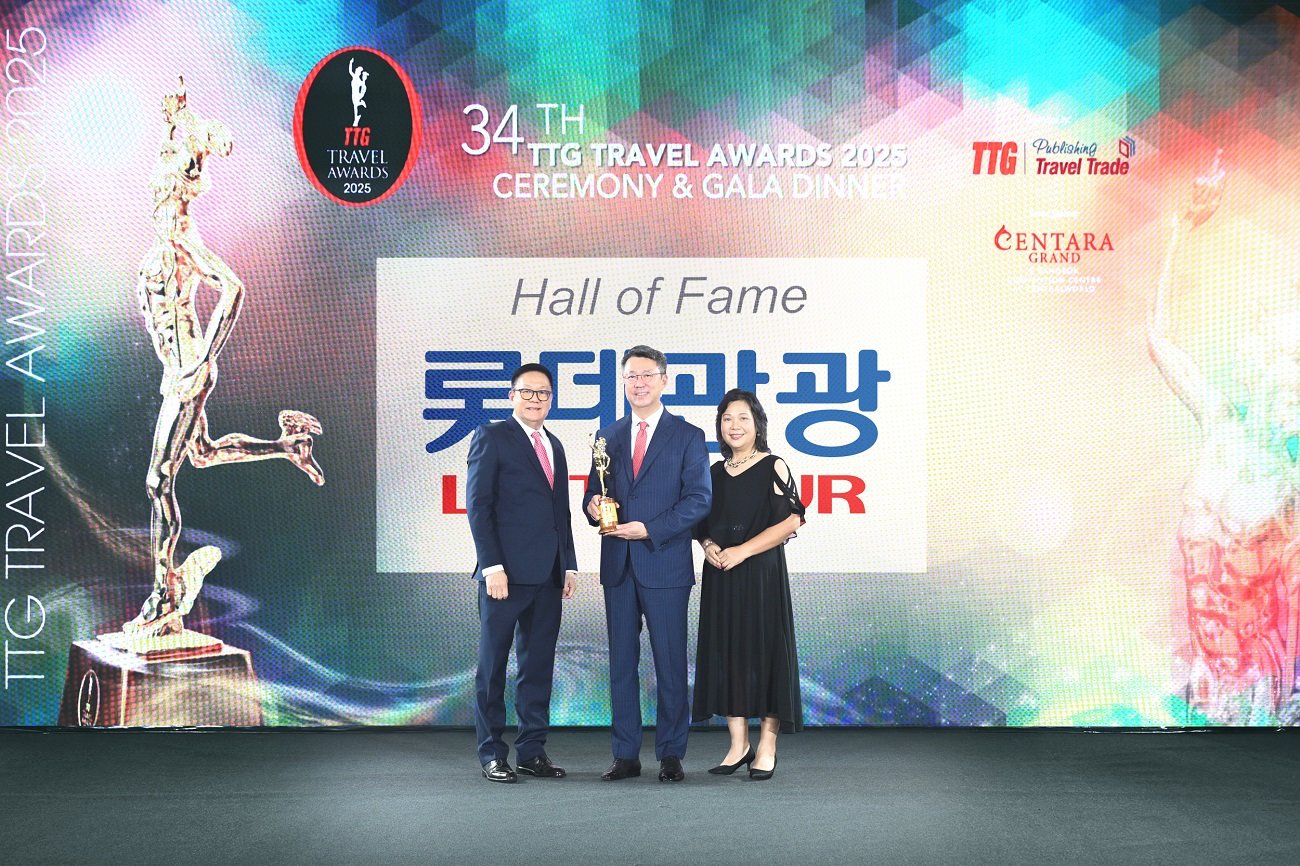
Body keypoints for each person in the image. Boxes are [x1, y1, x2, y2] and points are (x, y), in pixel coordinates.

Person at [126, 79, 323, 638]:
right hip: (179, 370)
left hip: (187, 373)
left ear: (180, 194)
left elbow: (233, 289)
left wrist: (200, 362)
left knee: (158, 479)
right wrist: (179, 118)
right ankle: (286, 446)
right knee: (204, 454)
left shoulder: (183, 240)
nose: (161, 198)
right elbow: (177, 144)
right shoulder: (164, 236)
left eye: (170, 191)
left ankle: (162, 596)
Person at [1148, 152, 1300, 723]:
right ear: (1262, 367)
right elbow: (1159, 340)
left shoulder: (1291, 483)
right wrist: (1179, 231)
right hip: (1203, 686)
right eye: (1290, 366)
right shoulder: (1218, 423)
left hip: (1259, 700)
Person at [584, 346, 711, 782]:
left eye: (646, 375)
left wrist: (650, 529)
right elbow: (593, 491)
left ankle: (671, 753)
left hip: (665, 562)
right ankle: (625, 754)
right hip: (618, 565)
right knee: (621, 663)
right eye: (631, 376)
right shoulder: (607, 435)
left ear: (664, 380)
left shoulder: (688, 435)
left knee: (670, 663)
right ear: (623, 382)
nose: (638, 383)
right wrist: (593, 505)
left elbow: (699, 500)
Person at [467, 363, 578, 783]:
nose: (535, 399)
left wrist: (568, 563)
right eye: (527, 392)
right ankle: (492, 754)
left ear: (551, 399)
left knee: (538, 667)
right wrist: (492, 566)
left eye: (543, 393)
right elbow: (479, 506)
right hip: (504, 576)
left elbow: (560, 512)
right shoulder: (492, 436)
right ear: (512, 395)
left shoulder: (555, 444)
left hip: (549, 575)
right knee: (493, 666)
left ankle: (532, 751)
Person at [693, 389, 805, 779]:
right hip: (721, 576)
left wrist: (742, 551)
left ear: (758, 424)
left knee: (766, 656)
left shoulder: (774, 465)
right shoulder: (713, 473)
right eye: (727, 419)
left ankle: (767, 747)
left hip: (761, 576)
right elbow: (701, 524)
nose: (734, 425)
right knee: (729, 656)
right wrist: (709, 545)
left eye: (743, 417)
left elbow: (792, 520)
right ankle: (738, 745)